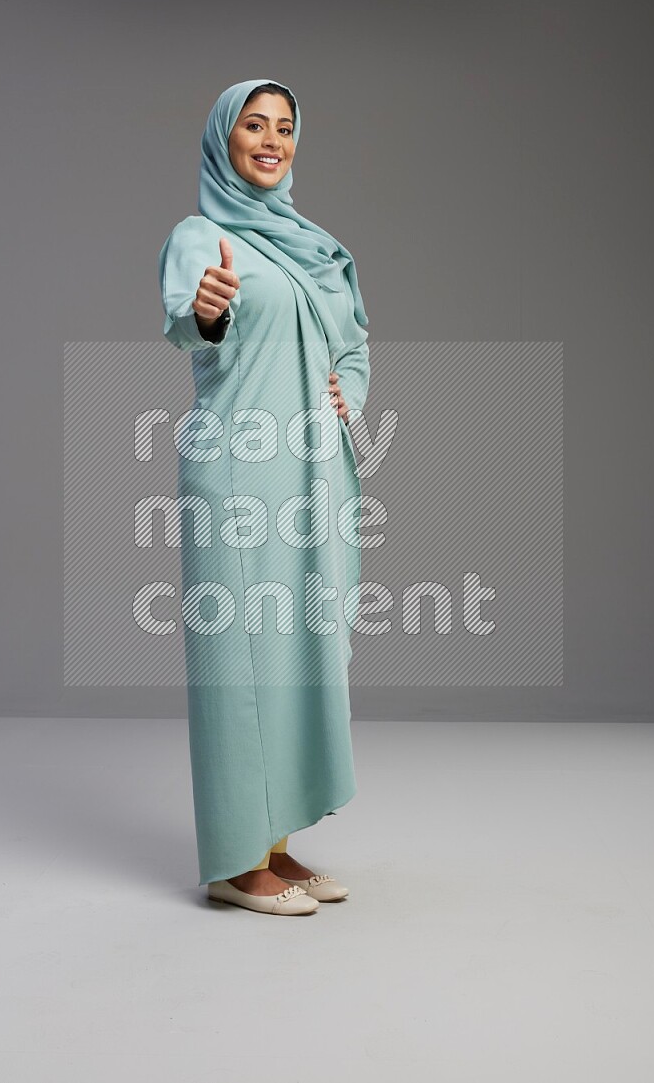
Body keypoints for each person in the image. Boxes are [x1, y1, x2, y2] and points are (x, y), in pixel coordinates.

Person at [158, 79, 370, 916]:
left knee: (295, 659)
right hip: (240, 477)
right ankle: (235, 861)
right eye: (255, 125)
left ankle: (275, 844)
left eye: (285, 127)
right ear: (224, 138)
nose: (272, 140)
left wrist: (346, 390)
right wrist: (207, 312)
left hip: (311, 474)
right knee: (240, 665)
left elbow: (351, 343)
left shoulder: (315, 245)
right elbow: (187, 317)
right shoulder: (201, 236)